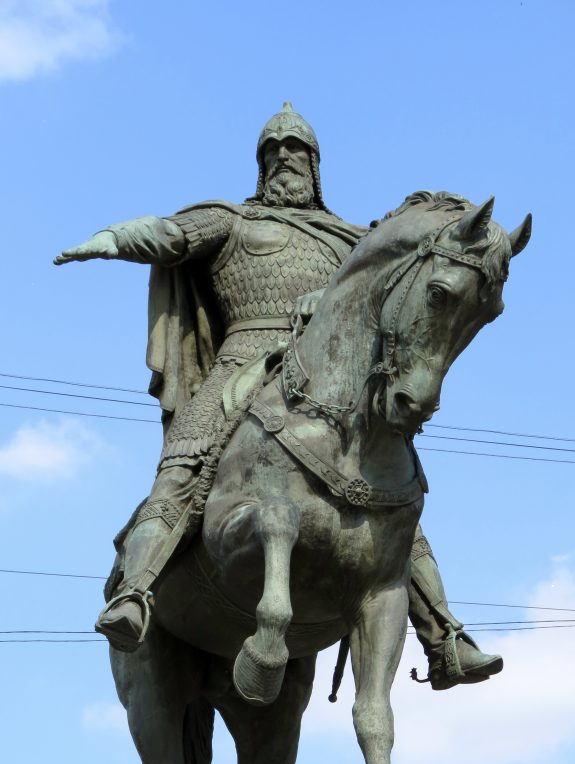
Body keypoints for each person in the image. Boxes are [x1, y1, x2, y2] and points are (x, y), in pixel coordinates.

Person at [55, 102, 502, 691]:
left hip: (335, 379)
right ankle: (136, 592)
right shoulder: (232, 220)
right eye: (274, 151)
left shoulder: (350, 239)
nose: (286, 158)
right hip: (243, 362)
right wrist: (112, 238)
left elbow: (387, 294)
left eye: (297, 151)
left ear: (315, 165)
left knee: (391, 493)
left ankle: (442, 633)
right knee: (186, 462)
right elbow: (168, 236)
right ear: (261, 164)